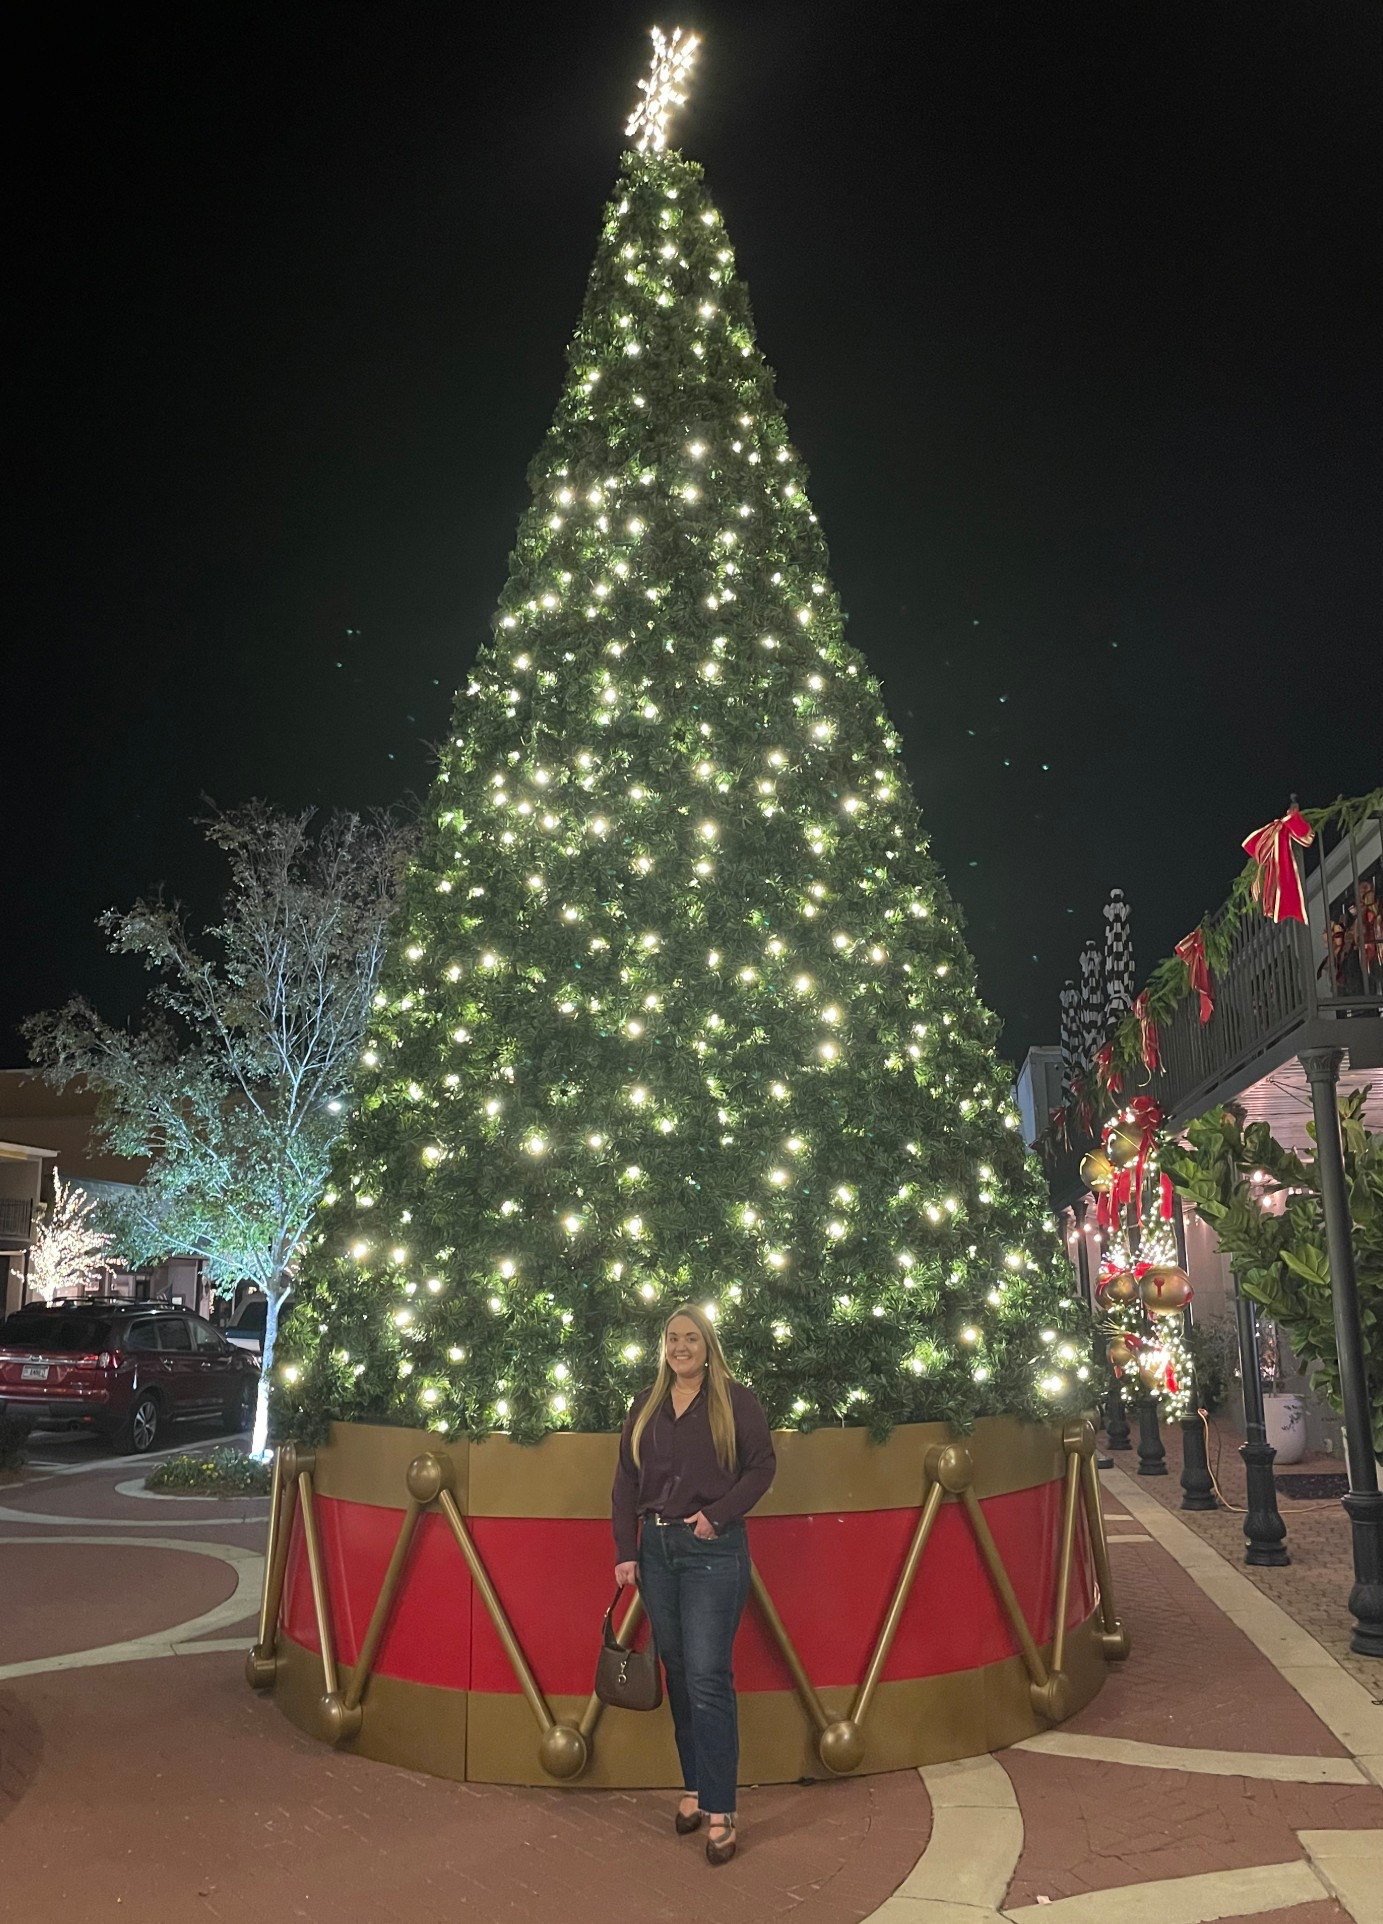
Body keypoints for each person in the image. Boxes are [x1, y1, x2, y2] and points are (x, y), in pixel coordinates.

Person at [611, 1304, 775, 1866]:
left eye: (691, 1338)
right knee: (678, 1673)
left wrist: (718, 1515)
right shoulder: (648, 1403)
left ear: (708, 1345)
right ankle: (695, 1789)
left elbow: (762, 1467)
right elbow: (625, 1481)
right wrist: (626, 1551)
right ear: (664, 1346)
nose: (681, 1347)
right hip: (656, 1553)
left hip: (711, 1552)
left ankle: (723, 1808)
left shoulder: (737, 1401)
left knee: (708, 1676)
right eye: (672, 1338)